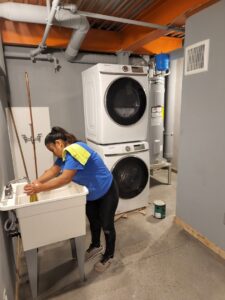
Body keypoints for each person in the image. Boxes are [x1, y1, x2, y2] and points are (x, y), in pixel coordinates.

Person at [24, 126, 119, 272]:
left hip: (106, 190)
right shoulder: (64, 156)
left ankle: (109, 255)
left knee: (106, 224)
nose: (53, 153)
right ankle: (96, 245)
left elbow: (65, 178)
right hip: (92, 193)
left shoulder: (75, 150)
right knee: (94, 221)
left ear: (59, 143)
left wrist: (40, 188)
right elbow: (53, 171)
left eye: (52, 149)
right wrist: (36, 182)